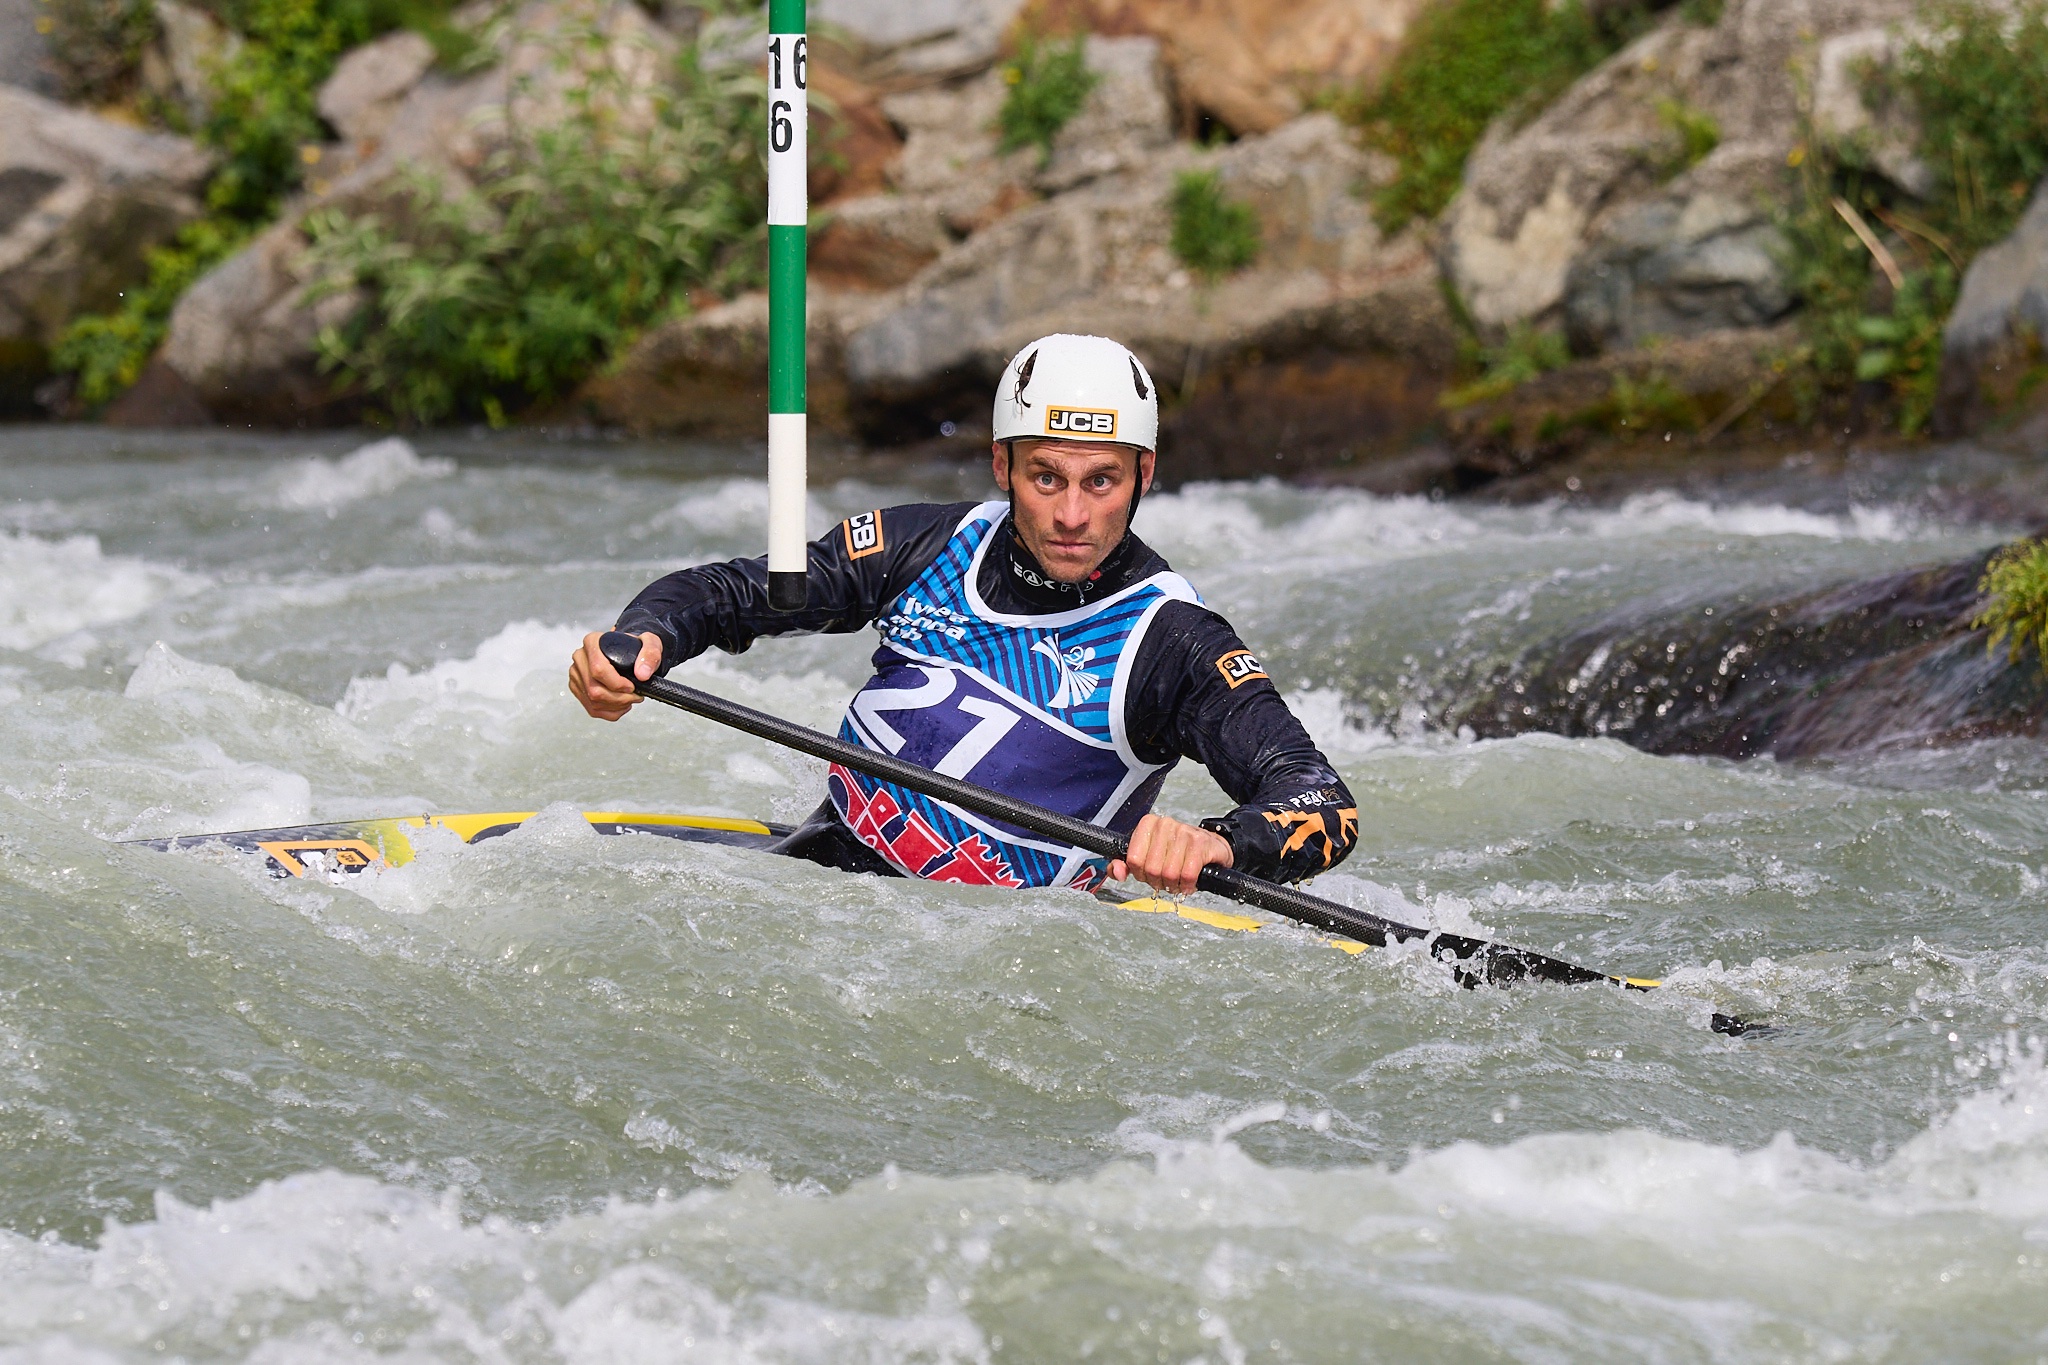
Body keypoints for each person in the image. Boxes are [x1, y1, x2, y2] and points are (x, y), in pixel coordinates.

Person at [569, 333, 1356, 895]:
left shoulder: (1172, 641)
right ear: (1001, 464)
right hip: (814, 877)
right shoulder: (929, 545)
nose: (1072, 514)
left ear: (1144, 474)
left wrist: (1216, 841)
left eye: (1101, 481)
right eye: (1046, 478)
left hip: (980, 958)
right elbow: (737, 593)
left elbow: (1322, 799)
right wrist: (645, 634)